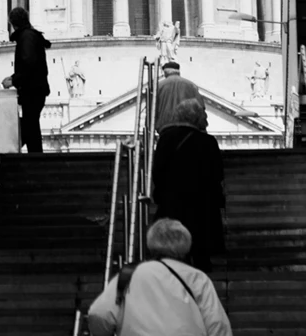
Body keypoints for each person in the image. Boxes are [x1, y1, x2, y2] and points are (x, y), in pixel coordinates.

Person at [87, 218, 232, 336]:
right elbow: (217, 324)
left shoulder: (129, 274)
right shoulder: (196, 278)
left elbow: (99, 313)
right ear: (187, 245)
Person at [152, 98, 225, 270]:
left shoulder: (165, 138)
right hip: (201, 205)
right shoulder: (208, 142)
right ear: (197, 118)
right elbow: (217, 173)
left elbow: (157, 170)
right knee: (200, 249)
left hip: (172, 203)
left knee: (173, 249)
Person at [0, 5, 51, 153]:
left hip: (32, 90)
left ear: (13, 24)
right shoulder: (31, 36)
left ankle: (14, 151)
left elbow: (28, 65)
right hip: (37, 89)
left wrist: (13, 80)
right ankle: (34, 157)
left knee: (29, 125)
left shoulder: (26, 38)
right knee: (31, 125)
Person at [153, 59, 202, 131]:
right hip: (187, 126)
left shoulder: (158, 86)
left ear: (166, 72)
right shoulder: (191, 86)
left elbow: (152, 108)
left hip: (165, 126)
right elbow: (200, 107)